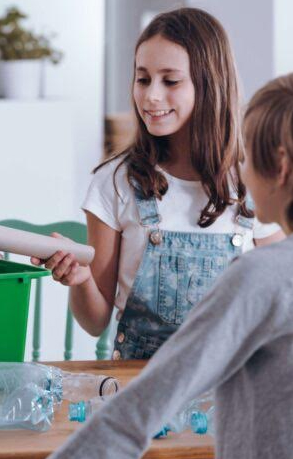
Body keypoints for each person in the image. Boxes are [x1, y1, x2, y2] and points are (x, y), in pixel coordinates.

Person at [47, 72, 293, 459]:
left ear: (279, 167)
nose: (242, 171)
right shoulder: (116, 180)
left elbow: (136, 415)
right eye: (142, 78)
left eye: (250, 157)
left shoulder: (259, 275)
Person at [33, 8, 283, 360]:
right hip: (140, 386)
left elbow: (281, 291)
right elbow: (94, 321)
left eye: (170, 81)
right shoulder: (115, 182)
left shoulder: (250, 183)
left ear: (210, 85)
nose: (151, 96)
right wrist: (79, 278)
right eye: (143, 78)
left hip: (230, 386)